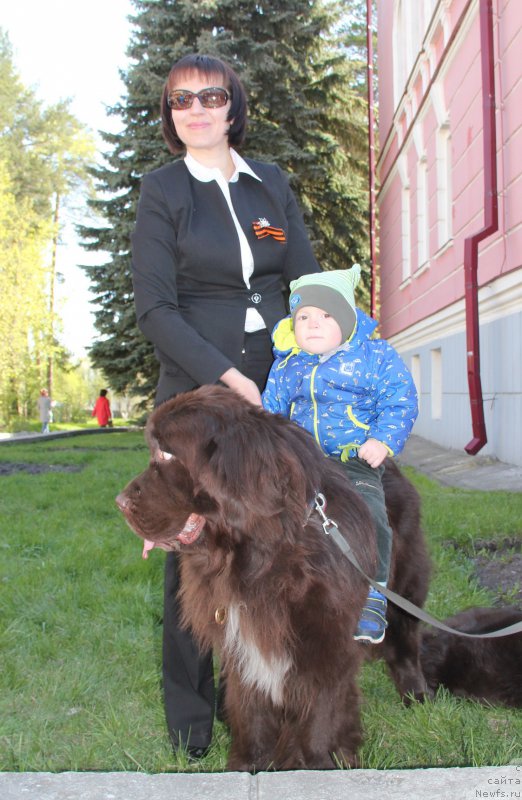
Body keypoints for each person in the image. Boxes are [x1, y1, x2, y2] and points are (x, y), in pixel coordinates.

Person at [131, 53, 320, 758]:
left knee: (277, 546)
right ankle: (190, 714)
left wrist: (323, 356)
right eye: (182, 101)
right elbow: (154, 308)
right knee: (196, 549)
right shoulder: (162, 192)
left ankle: (279, 692)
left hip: (278, 391)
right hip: (196, 402)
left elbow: (303, 279)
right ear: (171, 118)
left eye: (211, 96)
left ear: (233, 106)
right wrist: (224, 378)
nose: (198, 109)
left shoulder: (270, 183)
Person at [262, 265, 419, 645]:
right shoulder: (288, 364)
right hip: (303, 463)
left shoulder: (372, 357)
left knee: (371, 517)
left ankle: (374, 593)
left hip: (354, 460)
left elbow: (400, 399)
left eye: (326, 315)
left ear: (346, 321)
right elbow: (271, 411)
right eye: (304, 317)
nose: (313, 324)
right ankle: (288, 594)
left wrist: (382, 440)